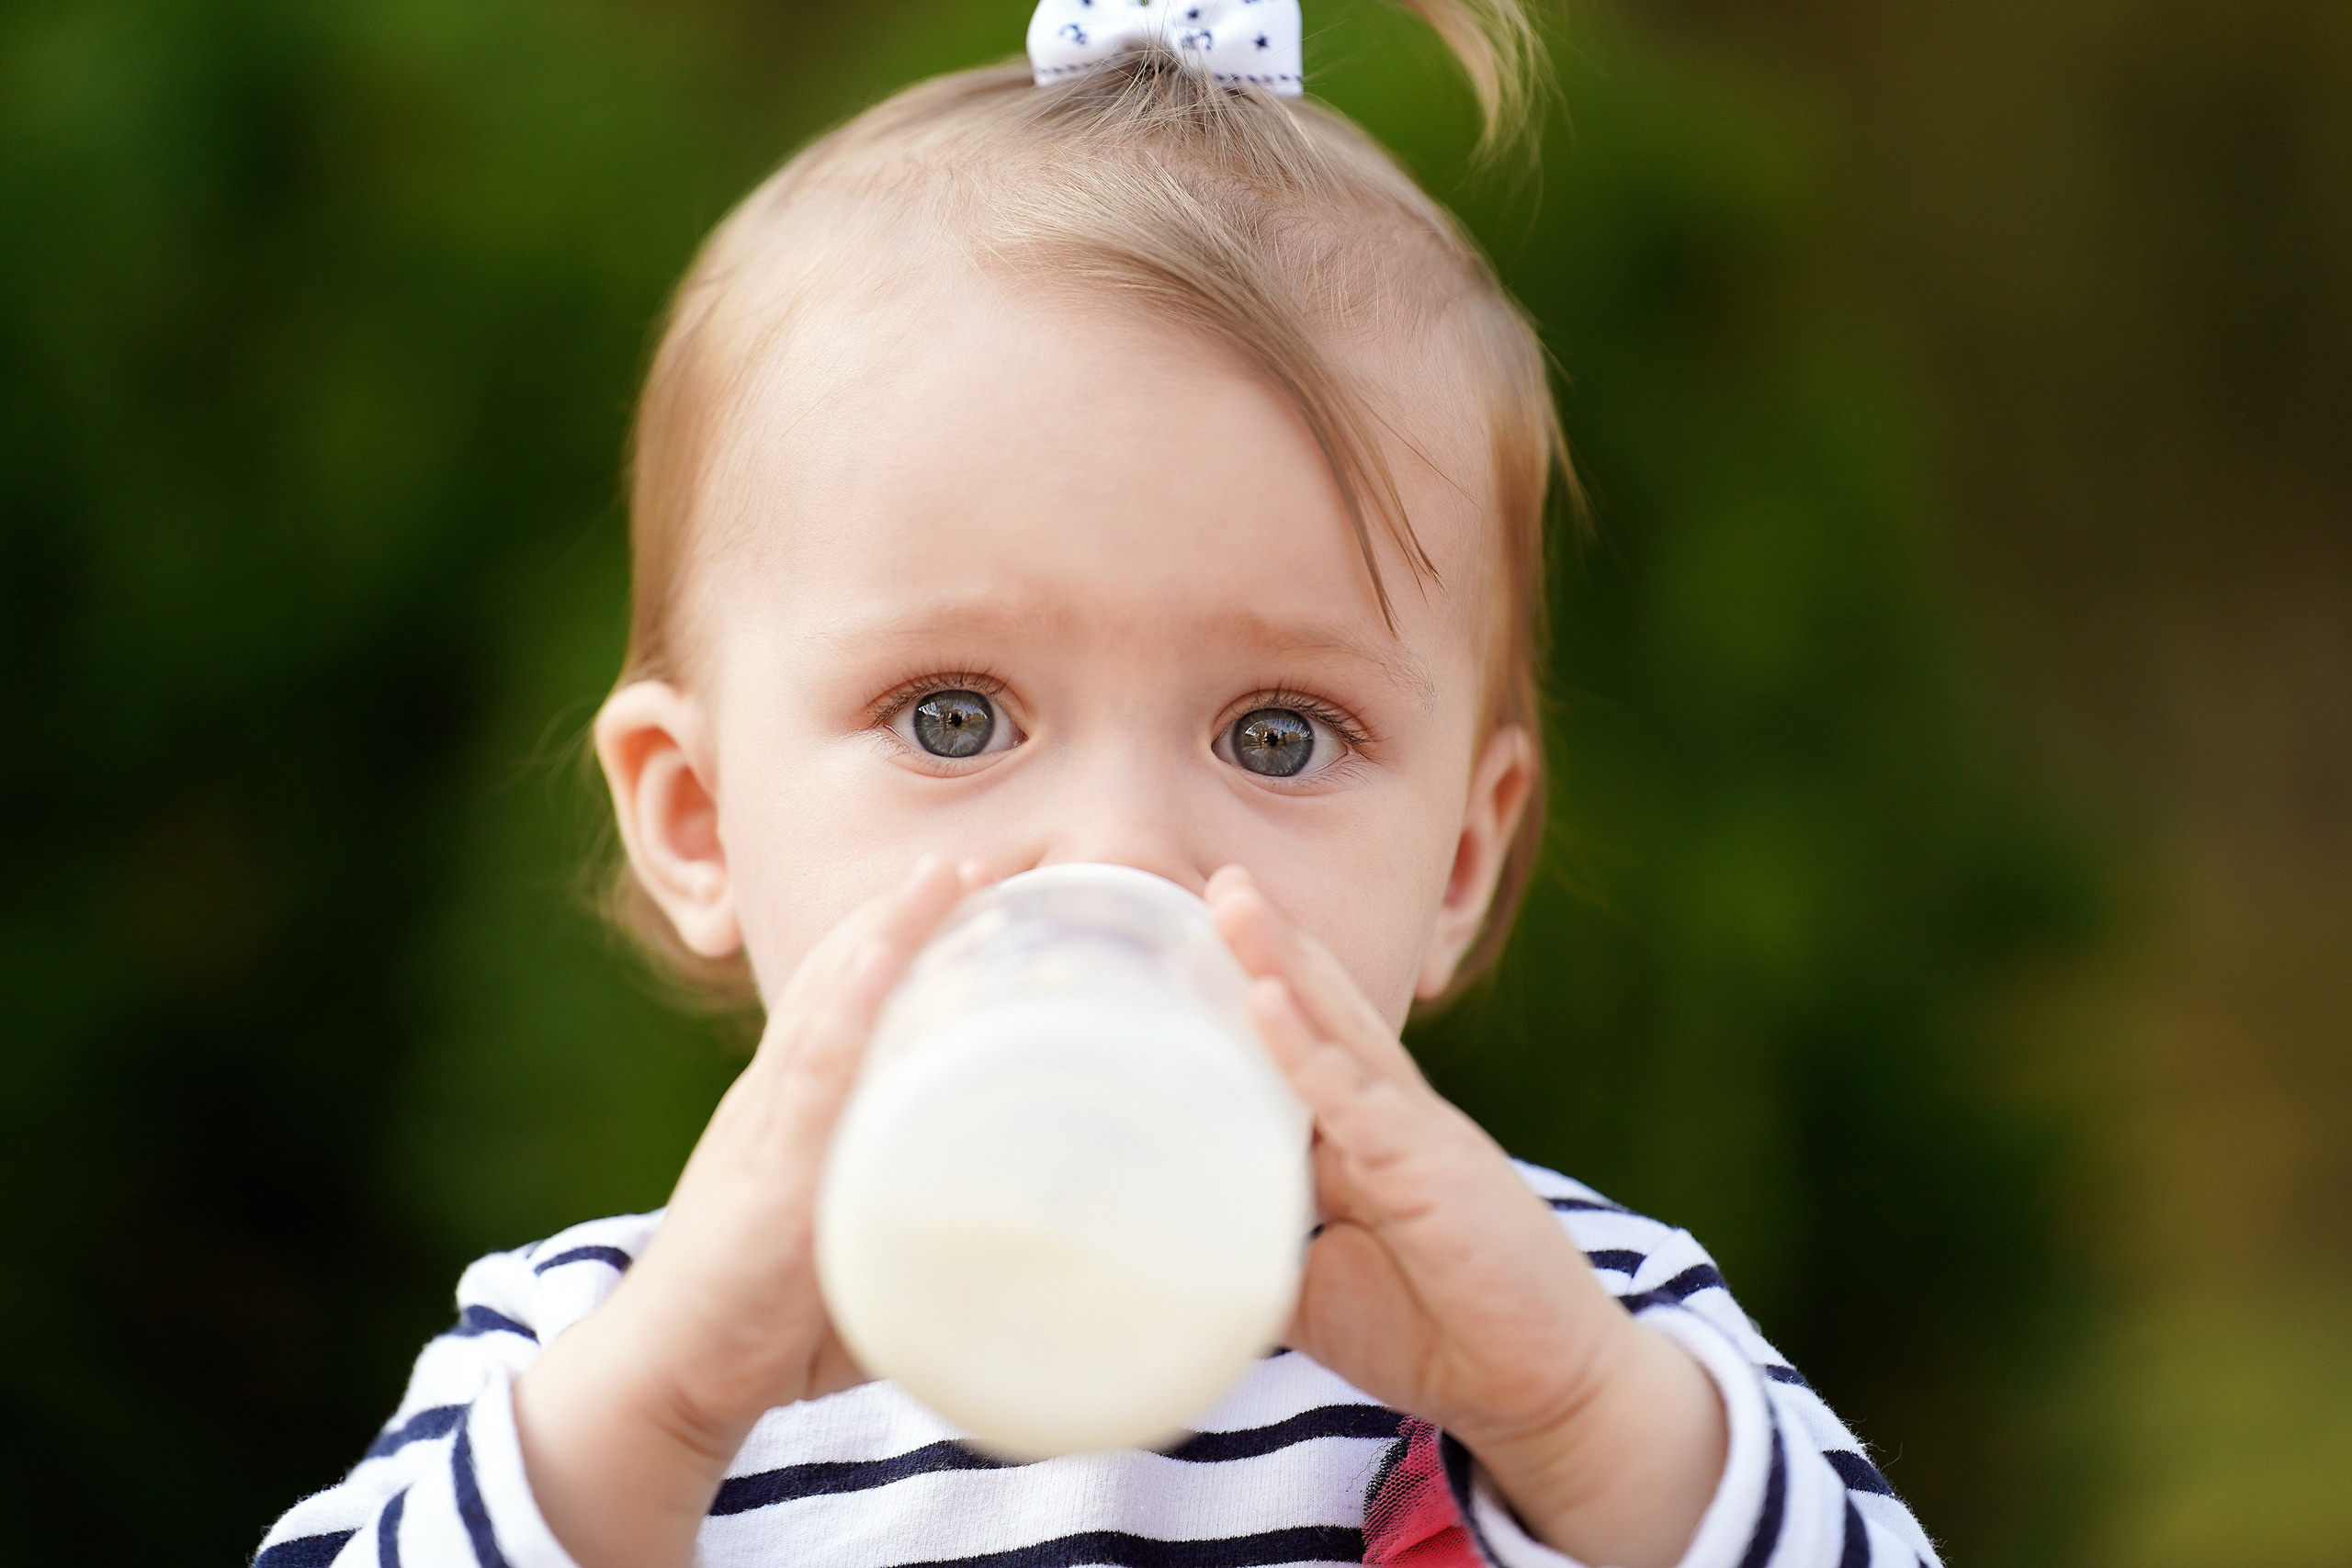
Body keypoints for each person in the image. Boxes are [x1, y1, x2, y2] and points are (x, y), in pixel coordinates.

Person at [257, 2, 1942, 1563]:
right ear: (699, 820)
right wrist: (660, 1413)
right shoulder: (596, 1351)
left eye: (1277, 734)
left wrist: (1580, 1425)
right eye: (953, 718)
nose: (1123, 852)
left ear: (1457, 863)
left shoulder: (1566, 1320)